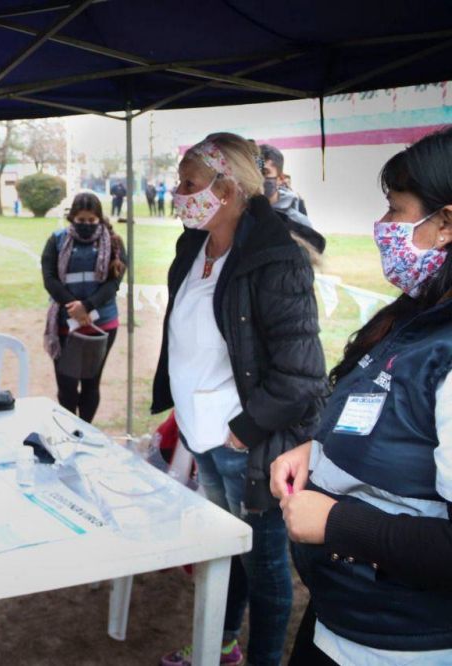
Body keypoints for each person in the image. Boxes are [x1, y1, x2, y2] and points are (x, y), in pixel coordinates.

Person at [272, 127, 452, 666]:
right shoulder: (419, 312)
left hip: (405, 644)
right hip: (345, 616)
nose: (383, 228)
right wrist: (318, 452)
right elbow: (391, 418)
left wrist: (336, 523)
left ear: (445, 223)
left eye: (396, 211)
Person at [152, 133, 326, 666]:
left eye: (189, 184)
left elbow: (302, 374)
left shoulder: (275, 260)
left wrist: (244, 430)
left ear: (226, 190)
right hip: (203, 435)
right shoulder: (193, 246)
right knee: (226, 552)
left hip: (246, 444)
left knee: (266, 566)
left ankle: (263, 659)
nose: (177, 193)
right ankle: (222, 643)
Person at [41, 192, 126, 422]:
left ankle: (85, 430)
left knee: (91, 383)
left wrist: (86, 306)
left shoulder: (114, 243)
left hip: (102, 324)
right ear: (72, 219)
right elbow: (49, 279)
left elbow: (113, 284)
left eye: (91, 221)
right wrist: (74, 308)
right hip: (64, 325)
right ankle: (70, 429)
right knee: (66, 386)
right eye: (81, 221)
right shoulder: (56, 240)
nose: (86, 225)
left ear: (99, 219)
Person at [260, 144, 312, 227]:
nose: (257, 178)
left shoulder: (298, 222)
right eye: (253, 173)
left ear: (280, 178)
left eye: (265, 172)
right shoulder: (240, 215)